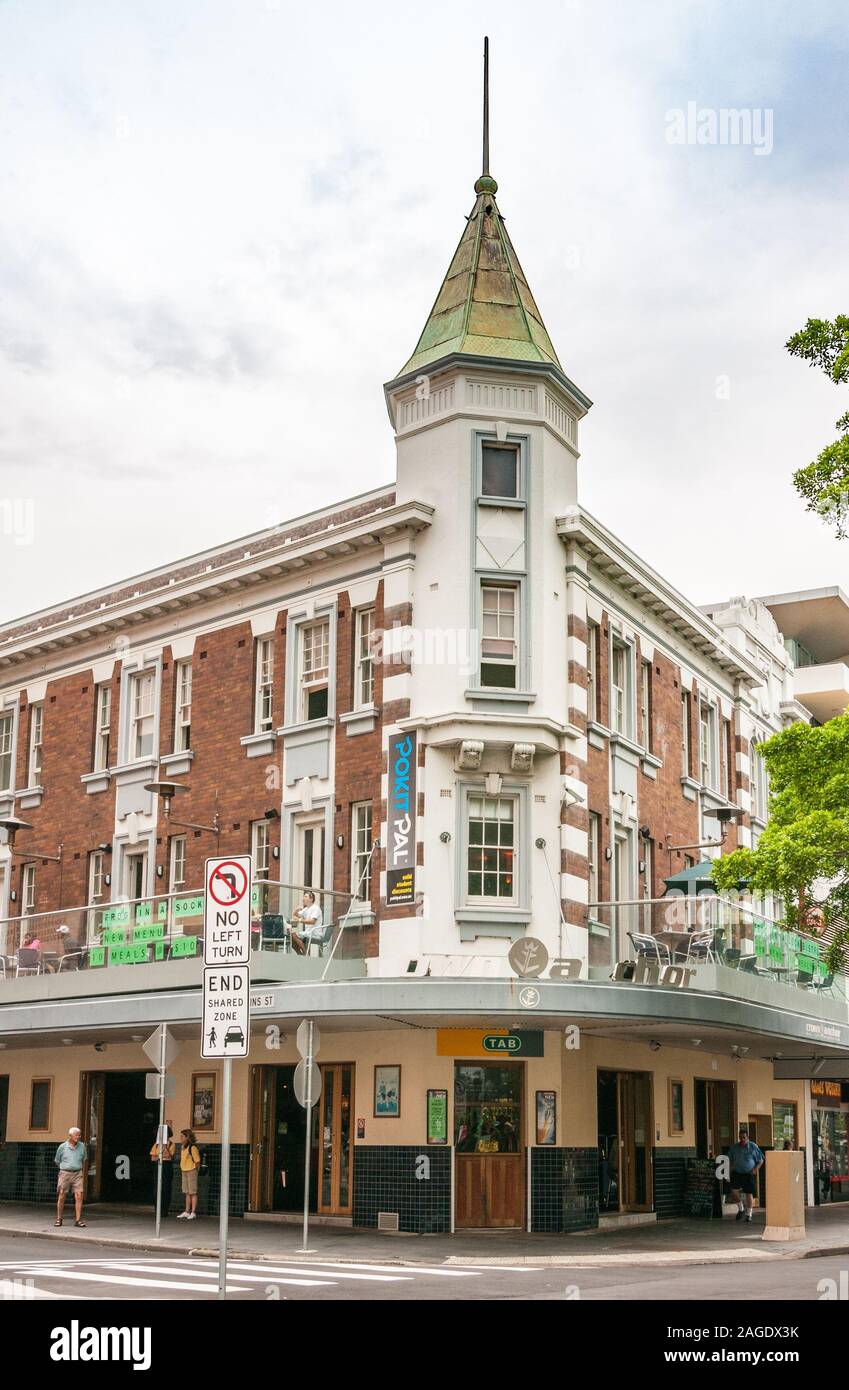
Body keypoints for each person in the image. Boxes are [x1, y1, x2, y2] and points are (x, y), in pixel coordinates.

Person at [727, 1124, 765, 1223]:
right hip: (737, 1172)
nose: (742, 1139)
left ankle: (749, 1214)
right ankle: (741, 1209)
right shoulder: (735, 1147)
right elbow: (730, 1159)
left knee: (749, 1193)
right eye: (740, 1138)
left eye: (744, 1137)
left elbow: (761, 1160)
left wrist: (755, 1169)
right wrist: (729, 1170)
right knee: (733, 1191)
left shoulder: (753, 1147)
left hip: (749, 1173)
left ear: (747, 1137)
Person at [54, 1126, 87, 1228]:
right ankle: (59, 1218)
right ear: (70, 1136)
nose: (78, 1137)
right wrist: (65, 1168)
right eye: (76, 1135)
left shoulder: (82, 1146)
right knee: (62, 1195)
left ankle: (78, 1220)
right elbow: (57, 1160)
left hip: (77, 1173)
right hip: (65, 1173)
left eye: (79, 1135)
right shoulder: (62, 1147)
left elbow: (84, 1159)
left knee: (79, 1195)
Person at [150, 1123, 175, 1215]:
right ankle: (157, 1210)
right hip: (157, 1166)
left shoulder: (171, 1144)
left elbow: (169, 1156)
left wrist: (165, 1147)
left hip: (167, 1167)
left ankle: (165, 1210)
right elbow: (153, 1158)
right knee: (157, 1187)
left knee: (166, 1187)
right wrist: (160, 1156)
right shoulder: (156, 1145)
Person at [289, 890, 324, 955]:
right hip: (308, 932)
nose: (303, 898)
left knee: (294, 935)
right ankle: (300, 954)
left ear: (311, 899)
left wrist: (299, 920)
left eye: (305, 896)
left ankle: (305, 954)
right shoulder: (306, 909)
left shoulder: (315, 908)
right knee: (290, 935)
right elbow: (295, 916)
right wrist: (296, 910)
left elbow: (312, 921)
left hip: (315, 933)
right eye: (303, 897)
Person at [177, 1128, 202, 1220]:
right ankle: (187, 1211)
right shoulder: (183, 1147)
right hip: (184, 1170)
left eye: (182, 1136)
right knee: (187, 1192)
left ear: (187, 1137)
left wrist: (195, 1170)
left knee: (193, 1192)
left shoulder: (192, 1147)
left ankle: (193, 1212)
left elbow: (197, 1161)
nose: (181, 1138)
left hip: (191, 1171)